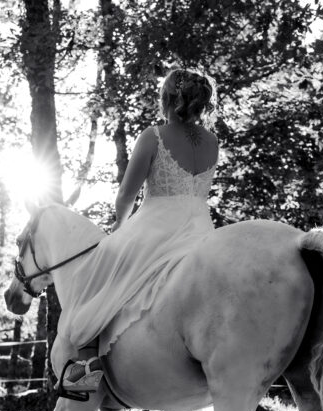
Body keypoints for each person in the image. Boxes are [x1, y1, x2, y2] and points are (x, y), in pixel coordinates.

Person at [59, 67, 219, 392]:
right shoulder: (212, 142)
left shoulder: (153, 136)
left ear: (168, 99)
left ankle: (86, 373)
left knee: (97, 272)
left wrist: (120, 225)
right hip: (202, 231)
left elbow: (125, 195)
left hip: (158, 226)